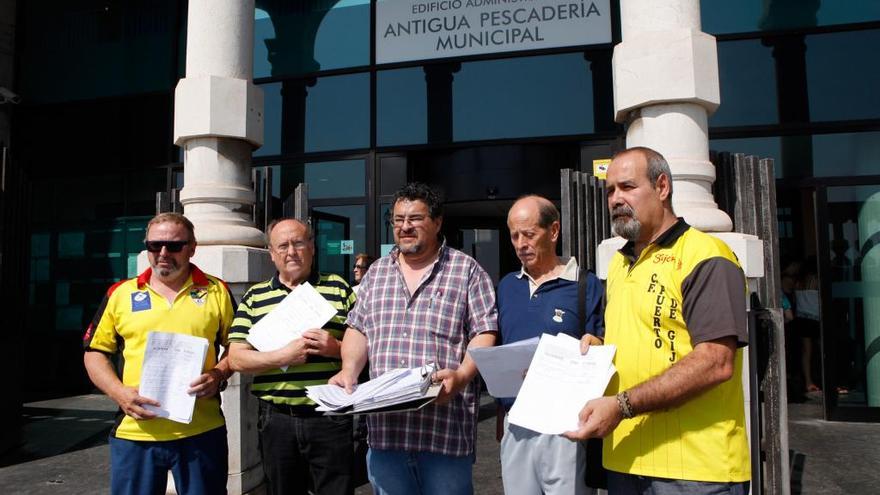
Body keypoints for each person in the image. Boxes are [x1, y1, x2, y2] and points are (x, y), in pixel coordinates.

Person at [564, 147, 751, 494]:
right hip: (625, 460)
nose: (616, 199)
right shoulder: (620, 265)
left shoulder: (707, 256)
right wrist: (598, 350)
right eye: (610, 191)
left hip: (696, 470)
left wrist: (622, 406)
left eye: (627, 187)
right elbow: (643, 337)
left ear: (662, 186)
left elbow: (715, 361)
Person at [329, 182, 498, 495]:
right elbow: (357, 328)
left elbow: (484, 331)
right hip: (386, 435)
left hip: (443, 432)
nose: (405, 226)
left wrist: (461, 376)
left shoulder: (467, 271)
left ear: (436, 222)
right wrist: (349, 370)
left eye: (415, 218)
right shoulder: (376, 273)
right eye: (398, 220)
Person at [83, 212, 234, 494]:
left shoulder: (217, 291)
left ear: (192, 248)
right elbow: (94, 353)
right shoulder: (121, 293)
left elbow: (237, 348)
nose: (163, 253)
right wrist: (119, 393)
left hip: (201, 430)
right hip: (135, 432)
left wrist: (218, 373)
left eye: (174, 246)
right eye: (155, 245)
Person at [227, 218, 356, 495]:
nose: (291, 252)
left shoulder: (339, 288)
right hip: (277, 419)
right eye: (282, 246)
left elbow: (366, 345)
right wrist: (283, 355)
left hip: (330, 416)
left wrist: (335, 347)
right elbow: (237, 359)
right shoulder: (254, 296)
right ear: (272, 254)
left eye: (298, 243)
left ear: (312, 247)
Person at [497, 195, 604, 494]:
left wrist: (595, 342)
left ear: (553, 231)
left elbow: (604, 340)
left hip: (566, 427)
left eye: (529, 234)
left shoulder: (586, 285)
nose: (520, 244)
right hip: (516, 423)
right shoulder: (507, 287)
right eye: (514, 235)